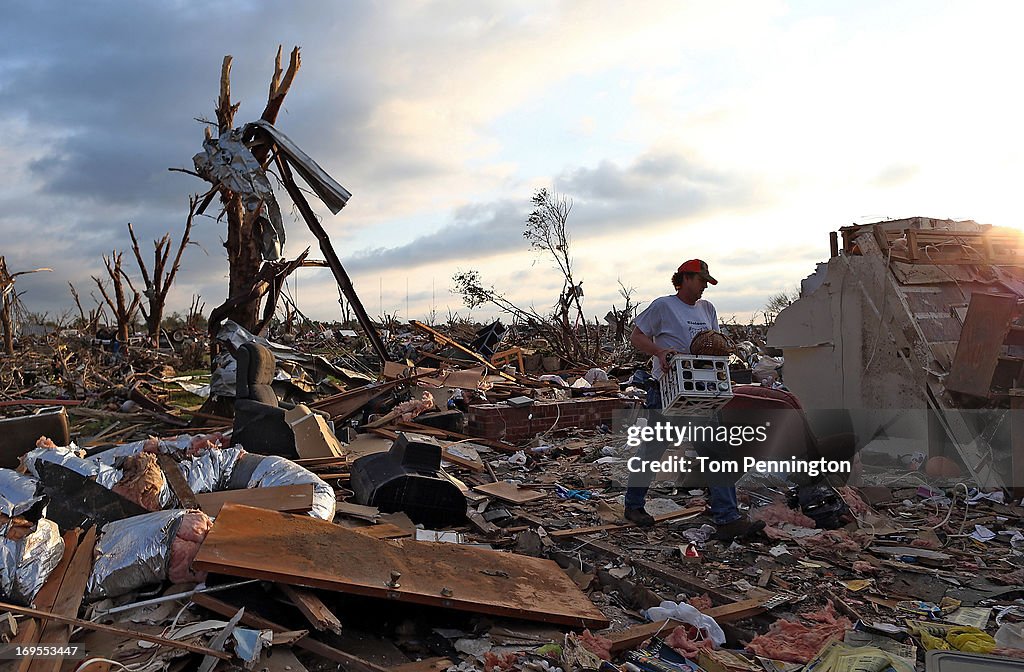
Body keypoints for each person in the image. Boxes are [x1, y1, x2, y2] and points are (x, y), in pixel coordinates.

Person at [625, 259, 766, 541]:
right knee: (653, 452)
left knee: (715, 452)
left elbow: (710, 342)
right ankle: (633, 506)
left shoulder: (707, 309)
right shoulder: (663, 306)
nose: (704, 287)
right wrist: (660, 352)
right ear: (685, 279)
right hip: (668, 389)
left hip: (700, 391)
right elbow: (637, 336)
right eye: (701, 281)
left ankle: (728, 517)